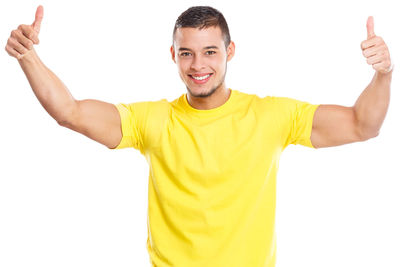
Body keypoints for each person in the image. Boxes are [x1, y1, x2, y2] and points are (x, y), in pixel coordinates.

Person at [5, 5, 393, 267]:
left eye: (210, 51)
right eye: (187, 53)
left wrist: (384, 73)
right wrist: (28, 57)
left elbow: (364, 124)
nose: (199, 64)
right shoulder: (152, 119)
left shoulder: (272, 115)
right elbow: (69, 113)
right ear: (173, 56)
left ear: (230, 51)